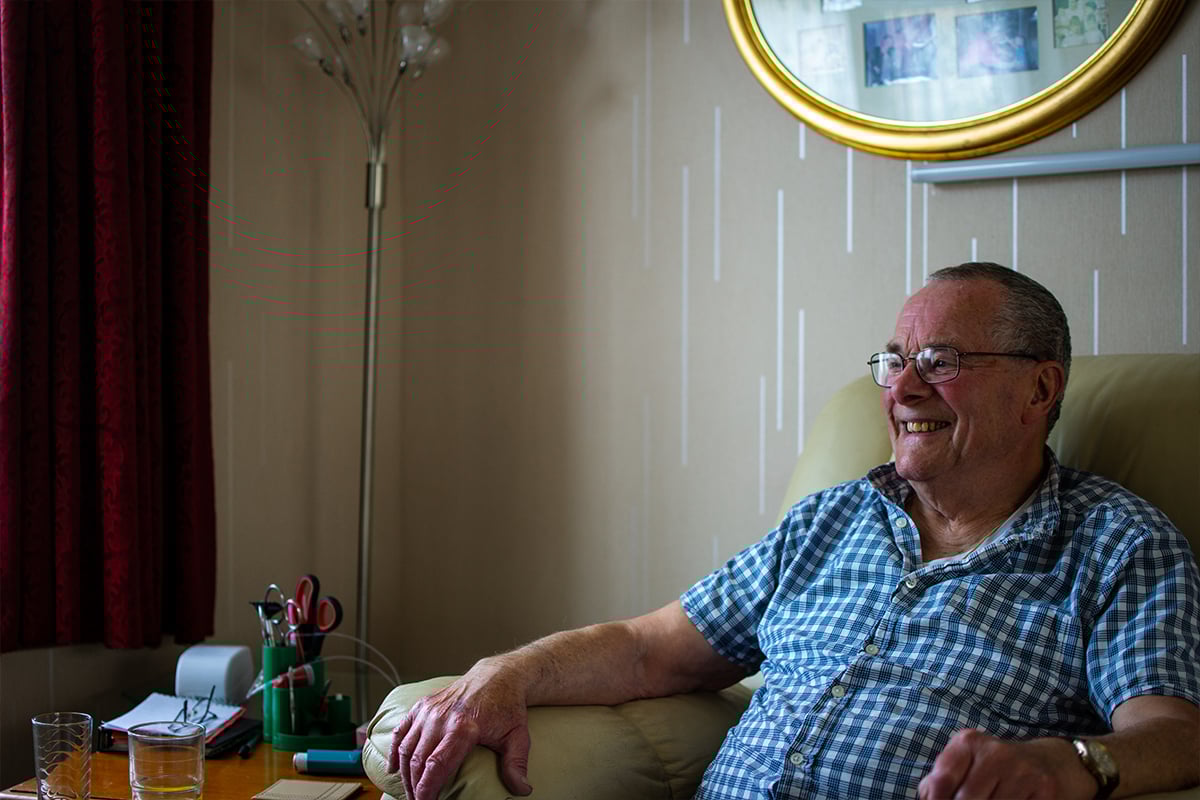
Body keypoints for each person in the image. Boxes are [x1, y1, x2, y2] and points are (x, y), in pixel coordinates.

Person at [388, 263, 1200, 800]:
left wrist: (1071, 765)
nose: (903, 387)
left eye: (942, 360)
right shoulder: (830, 519)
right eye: (893, 361)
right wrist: (505, 673)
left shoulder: (1118, 544)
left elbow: (1173, 733)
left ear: (1039, 388)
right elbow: (649, 648)